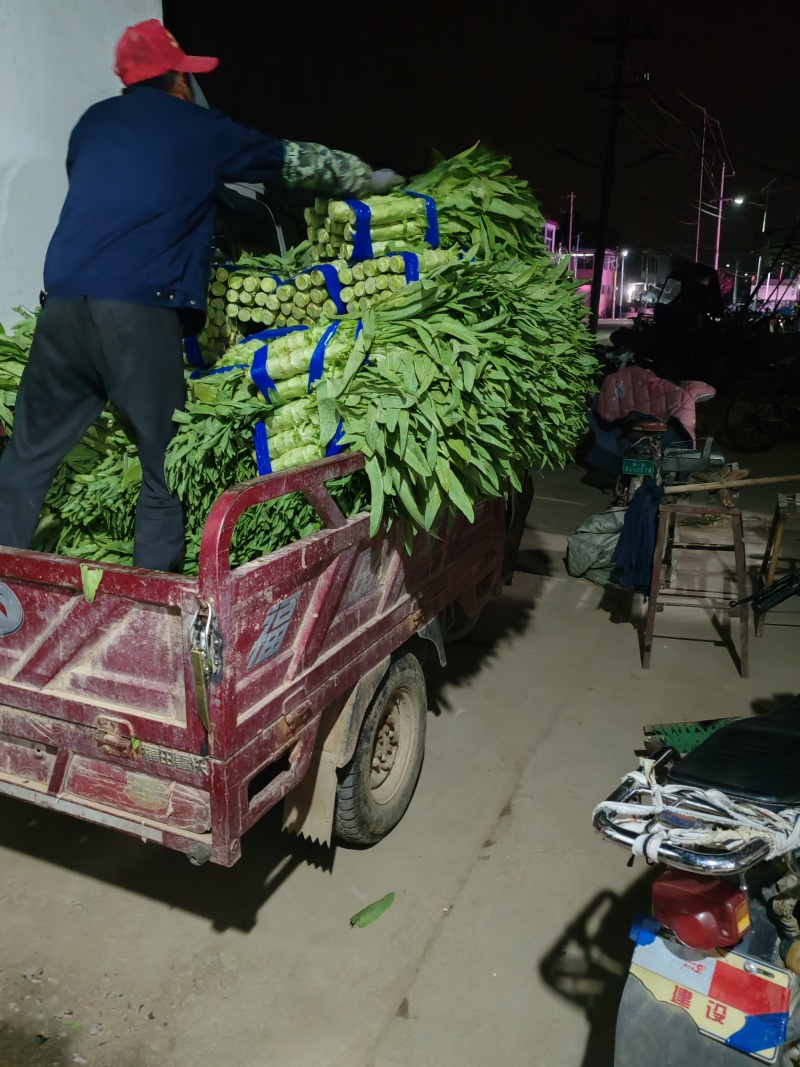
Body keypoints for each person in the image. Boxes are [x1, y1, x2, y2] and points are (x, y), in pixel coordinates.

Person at [0, 19, 402, 572]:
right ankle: (151, 599)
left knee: (26, 456)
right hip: (139, 312)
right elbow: (290, 161)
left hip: (65, 306)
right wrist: (362, 176)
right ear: (179, 82)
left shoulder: (91, 125)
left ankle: (6, 588)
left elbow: (121, 196)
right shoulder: (196, 128)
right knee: (163, 464)